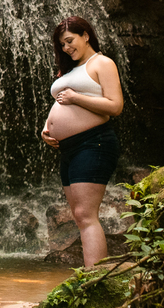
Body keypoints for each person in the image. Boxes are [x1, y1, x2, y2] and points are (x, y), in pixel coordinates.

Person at [40, 16, 123, 267]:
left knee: (86, 215)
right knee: (79, 216)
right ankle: (91, 276)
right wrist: (47, 128)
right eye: (62, 45)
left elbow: (115, 106)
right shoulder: (70, 70)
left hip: (94, 143)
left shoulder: (102, 63)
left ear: (86, 35)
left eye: (69, 41)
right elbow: (60, 101)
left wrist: (76, 98)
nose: (66, 48)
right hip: (69, 148)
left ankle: (96, 279)